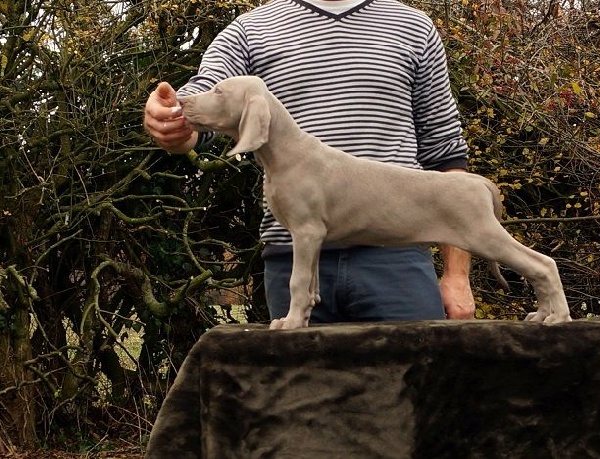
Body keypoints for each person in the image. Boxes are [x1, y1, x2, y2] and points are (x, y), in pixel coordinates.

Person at [143, 0, 476, 323]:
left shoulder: (414, 27)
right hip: (293, 258)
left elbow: (445, 153)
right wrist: (171, 120)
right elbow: (204, 100)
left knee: (417, 364)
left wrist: (457, 274)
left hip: (396, 260)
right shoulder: (250, 30)